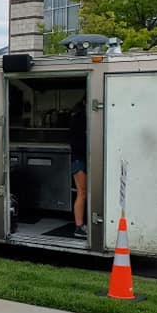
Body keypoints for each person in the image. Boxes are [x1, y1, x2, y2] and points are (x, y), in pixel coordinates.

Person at [69, 99, 88, 238]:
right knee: (82, 192)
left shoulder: (78, 118)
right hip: (80, 160)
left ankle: (81, 225)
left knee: (82, 192)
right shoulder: (80, 119)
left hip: (79, 159)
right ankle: (79, 227)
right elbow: (79, 143)